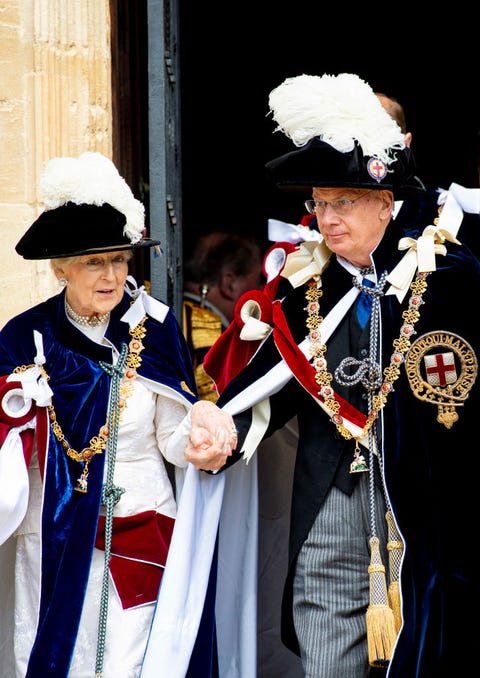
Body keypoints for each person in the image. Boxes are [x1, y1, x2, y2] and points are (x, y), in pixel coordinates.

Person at [199, 73, 480, 677]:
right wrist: (216, 430)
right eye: (318, 203)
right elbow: (268, 387)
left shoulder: (454, 278)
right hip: (331, 507)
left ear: (385, 201)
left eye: (341, 203)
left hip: (430, 516)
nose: (325, 219)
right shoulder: (309, 284)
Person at [0, 151, 236, 678]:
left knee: (140, 661)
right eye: (93, 262)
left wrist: (202, 437)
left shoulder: (154, 328)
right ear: (60, 268)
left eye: (120, 259)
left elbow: (172, 434)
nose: (111, 275)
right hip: (56, 534)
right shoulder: (24, 337)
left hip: (141, 526)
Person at [183, 230, 265, 401]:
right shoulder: (210, 335)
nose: (263, 290)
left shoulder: (171, 314)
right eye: (260, 280)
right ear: (230, 284)